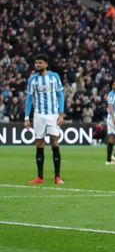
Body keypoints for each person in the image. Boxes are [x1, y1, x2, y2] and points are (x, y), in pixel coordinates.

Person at [24, 53, 65, 185]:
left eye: (40, 63)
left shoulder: (54, 77)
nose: (37, 65)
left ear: (46, 64)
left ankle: (57, 177)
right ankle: (40, 177)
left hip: (52, 115)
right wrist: (26, 117)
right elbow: (29, 99)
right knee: (40, 143)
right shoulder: (32, 80)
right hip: (39, 115)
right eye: (36, 63)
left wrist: (61, 114)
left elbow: (60, 95)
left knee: (54, 142)